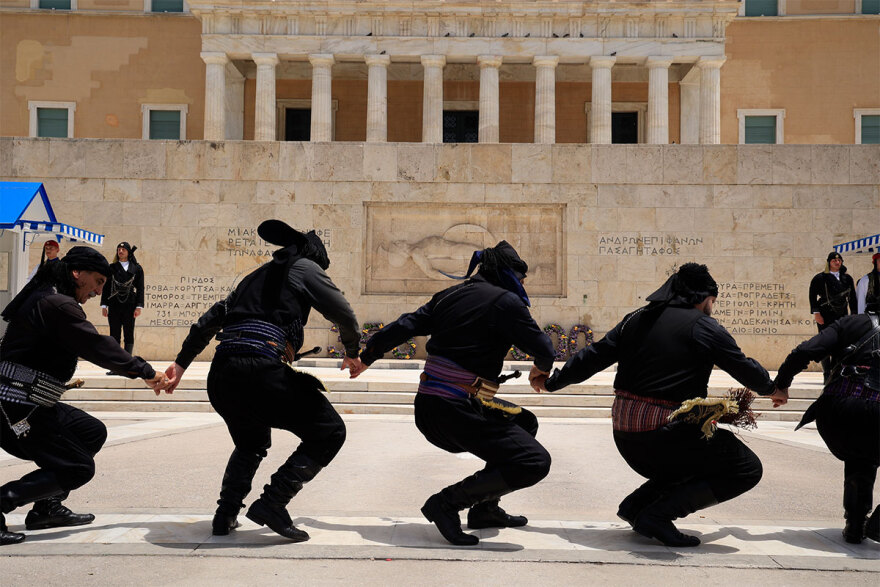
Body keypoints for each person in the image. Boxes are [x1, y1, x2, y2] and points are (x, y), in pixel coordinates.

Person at [533, 263, 784, 547]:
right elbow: (742, 366)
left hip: (626, 436)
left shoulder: (636, 318)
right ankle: (659, 515)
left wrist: (551, 382)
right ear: (703, 297)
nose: (712, 307)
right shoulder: (704, 327)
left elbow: (593, 356)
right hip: (663, 438)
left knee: (699, 446)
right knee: (744, 467)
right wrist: (773, 389)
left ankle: (636, 507)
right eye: (712, 301)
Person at [163, 220, 362, 543]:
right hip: (259, 369)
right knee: (329, 431)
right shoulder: (306, 267)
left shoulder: (251, 278)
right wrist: (353, 351)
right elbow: (344, 313)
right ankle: (272, 503)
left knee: (250, 442)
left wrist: (181, 364)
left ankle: (225, 514)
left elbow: (208, 321)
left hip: (223, 374)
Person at [350, 241, 555, 546]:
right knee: (533, 461)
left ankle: (486, 508)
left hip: (433, 408)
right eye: (521, 278)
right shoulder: (505, 302)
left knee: (524, 422)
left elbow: (404, 325)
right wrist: (541, 369)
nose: (523, 284)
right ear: (508, 275)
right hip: (456, 410)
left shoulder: (448, 295)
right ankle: (446, 503)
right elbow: (544, 348)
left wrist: (366, 358)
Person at [0, 246, 168, 546]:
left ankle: (46, 508)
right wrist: (145, 371)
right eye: (99, 281)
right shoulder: (57, 304)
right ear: (77, 273)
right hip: (15, 407)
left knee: (90, 432)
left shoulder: (50, 298)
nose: (97, 291)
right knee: (78, 468)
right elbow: (96, 346)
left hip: (33, 402)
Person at [774, 301, 879, 544]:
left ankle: (855, 522)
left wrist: (781, 384)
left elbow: (804, 351)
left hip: (838, 416)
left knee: (862, 453)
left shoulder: (852, 323)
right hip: (868, 416)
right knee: (869, 442)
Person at [100, 242, 145, 359]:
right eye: (118, 249)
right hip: (114, 304)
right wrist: (104, 305)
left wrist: (139, 306)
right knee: (114, 334)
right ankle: (115, 363)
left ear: (128, 252)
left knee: (128, 333)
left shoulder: (136, 268)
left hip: (130, 305)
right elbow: (106, 287)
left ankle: (127, 362)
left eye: (123, 249)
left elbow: (140, 288)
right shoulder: (112, 268)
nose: (120, 251)